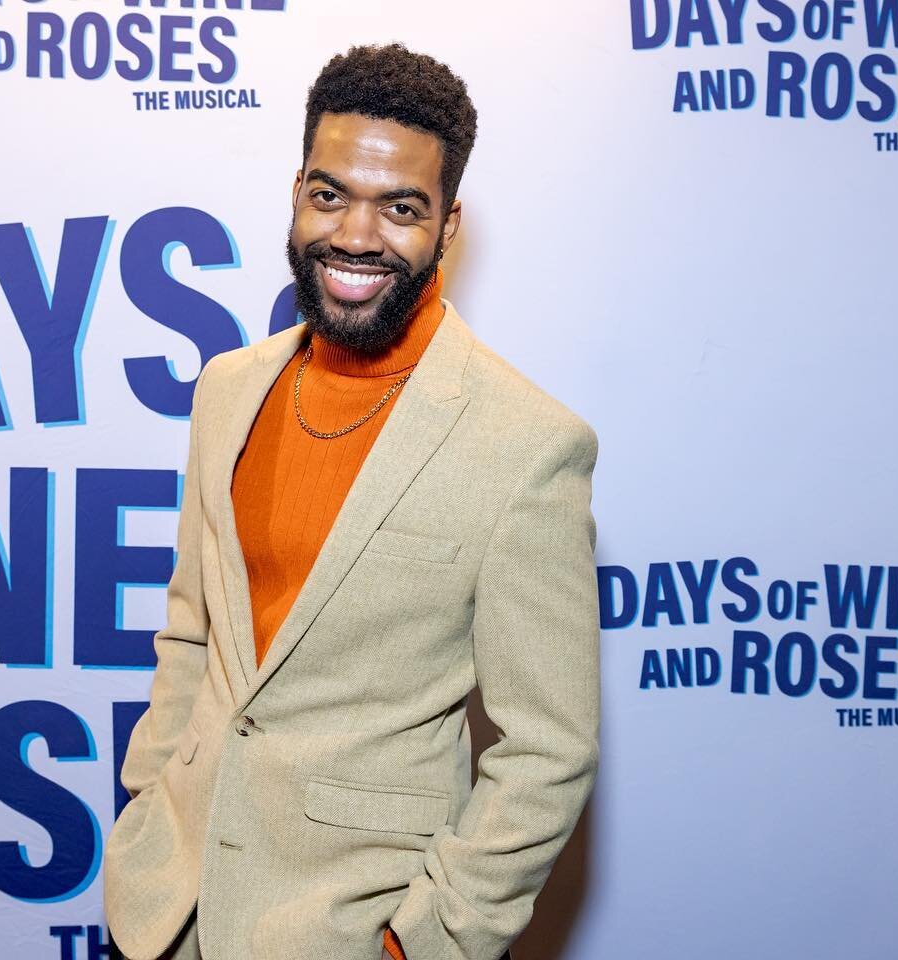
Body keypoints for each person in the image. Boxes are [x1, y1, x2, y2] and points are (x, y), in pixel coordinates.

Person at [103, 43, 600, 960]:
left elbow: (548, 752)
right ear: (298, 190)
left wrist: (424, 943)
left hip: (346, 929)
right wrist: (147, 811)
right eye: (330, 195)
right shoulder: (227, 389)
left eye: (400, 207)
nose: (356, 236)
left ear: (448, 227)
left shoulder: (528, 446)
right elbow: (192, 634)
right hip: (170, 910)